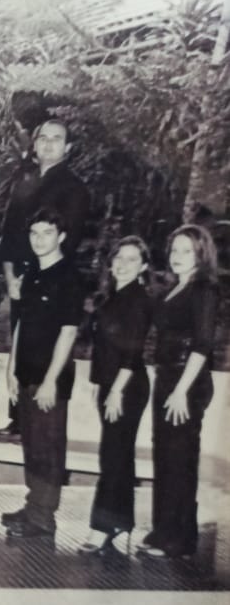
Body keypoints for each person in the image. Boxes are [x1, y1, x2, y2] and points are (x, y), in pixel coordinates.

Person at [0, 119, 90, 442]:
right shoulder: (23, 183)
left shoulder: (74, 189)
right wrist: (11, 277)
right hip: (20, 281)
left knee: (48, 346)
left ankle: (42, 418)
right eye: (43, 138)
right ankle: (18, 419)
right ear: (34, 145)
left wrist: (33, 277)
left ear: (68, 147)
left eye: (56, 139)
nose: (48, 144)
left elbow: (68, 239)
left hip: (51, 282)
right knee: (21, 345)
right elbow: (8, 235)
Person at [2, 207, 85, 539]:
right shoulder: (32, 272)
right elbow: (20, 323)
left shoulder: (70, 277)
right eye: (34, 233)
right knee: (32, 445)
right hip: (26, 373)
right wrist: (11, 368)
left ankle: (43, 518)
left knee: (48, 449)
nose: (39, 240)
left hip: (50, 379)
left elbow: (68, 332)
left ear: (61, 236)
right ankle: (34, 505)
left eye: (47, 233)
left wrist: (50, 380)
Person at [139, 225, 219, 560]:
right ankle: (165, 530)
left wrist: (181, 391)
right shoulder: (175, 288)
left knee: (179, 459)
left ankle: (178, 539)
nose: (178, 256)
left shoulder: (203, 289)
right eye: (174, 250)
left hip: (187, 383)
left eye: (187, 251)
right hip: (168, 378)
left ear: (201, 254)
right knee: (165, 456)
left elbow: (202, 345)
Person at [79, 236, 153, 554]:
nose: (123, 264)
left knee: (112, 456)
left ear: (143, 267)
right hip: (112, 385)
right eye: (119, 258)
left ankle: (102, 527)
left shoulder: (138, 300)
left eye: (132, 259)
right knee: (118, 455)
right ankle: (120, 521)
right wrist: (99, 383)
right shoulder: (112, 297)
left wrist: (116, 391)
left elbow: (133, 353)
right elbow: (102, 347)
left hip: (127, 388)